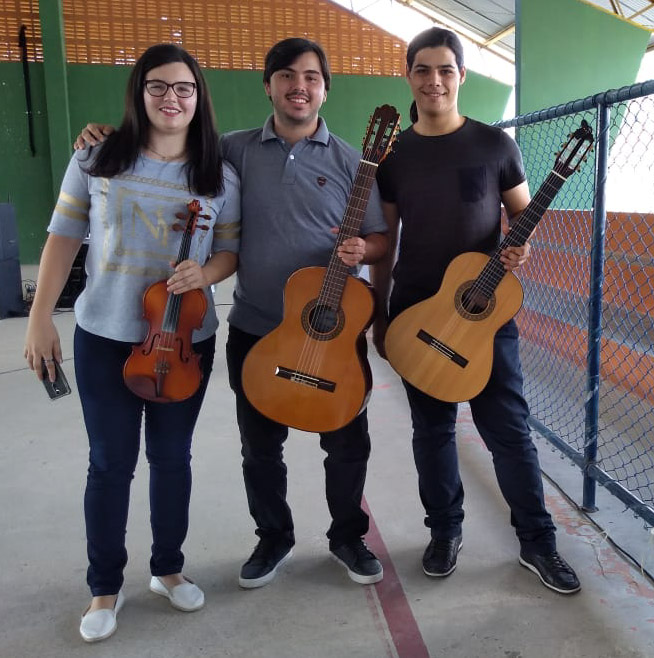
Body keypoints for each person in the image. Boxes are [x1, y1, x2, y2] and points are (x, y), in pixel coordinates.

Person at [77, 37, 388, 589]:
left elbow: (380, 238)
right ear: (267, 84)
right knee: (260, 449)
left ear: (326, 89)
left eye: (312, 77)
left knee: (346, 443)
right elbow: (168, 143)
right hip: (257, 327)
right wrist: (104, 133)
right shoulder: (230, 150)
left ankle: (347, 535)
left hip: (330, 330)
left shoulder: (351, 160)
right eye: (287, 75)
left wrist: (363, 251)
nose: (299, 86)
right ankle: (273, 537)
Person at [25, 43, 241, 642]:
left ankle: (167, 569)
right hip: (105, 336)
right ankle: (104, 587)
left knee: (173, 460)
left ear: (199, 99)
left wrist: (207, 274)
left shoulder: (218, 174)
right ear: (139, 93)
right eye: (159, 86)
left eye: (184, 88)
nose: (172, 97)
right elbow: (64, 237)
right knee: (109, 463)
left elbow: (227, 249)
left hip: (185, 341)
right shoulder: (97, 157)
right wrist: (40, 316)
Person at [372, 27, 581, 595]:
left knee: (509, 431)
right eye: (423, 70)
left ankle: (538, 544)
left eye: (445, 70)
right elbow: (385, 240)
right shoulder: (395, 157)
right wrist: (380, 311)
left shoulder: (495, 145)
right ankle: (444, 532)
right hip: (417, 310)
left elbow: (522, 217)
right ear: (409, 75)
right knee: (432, 432)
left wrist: (523, 247)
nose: (434, 80)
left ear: (462, 75)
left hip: (484, 313)